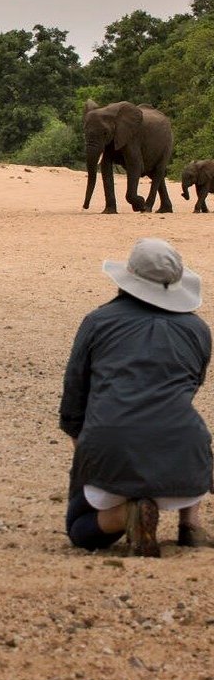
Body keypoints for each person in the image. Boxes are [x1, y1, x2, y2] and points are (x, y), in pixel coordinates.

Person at [60, 237, 213, 557]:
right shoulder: (199, 330)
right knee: (184, 420)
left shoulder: (97, 321)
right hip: (184, 458)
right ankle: (191, 524)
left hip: (110, 444)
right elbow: (188, 389)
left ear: (128, 278)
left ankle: (126, 514)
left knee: (79, 527)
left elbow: (75, 403)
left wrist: (88, 460)